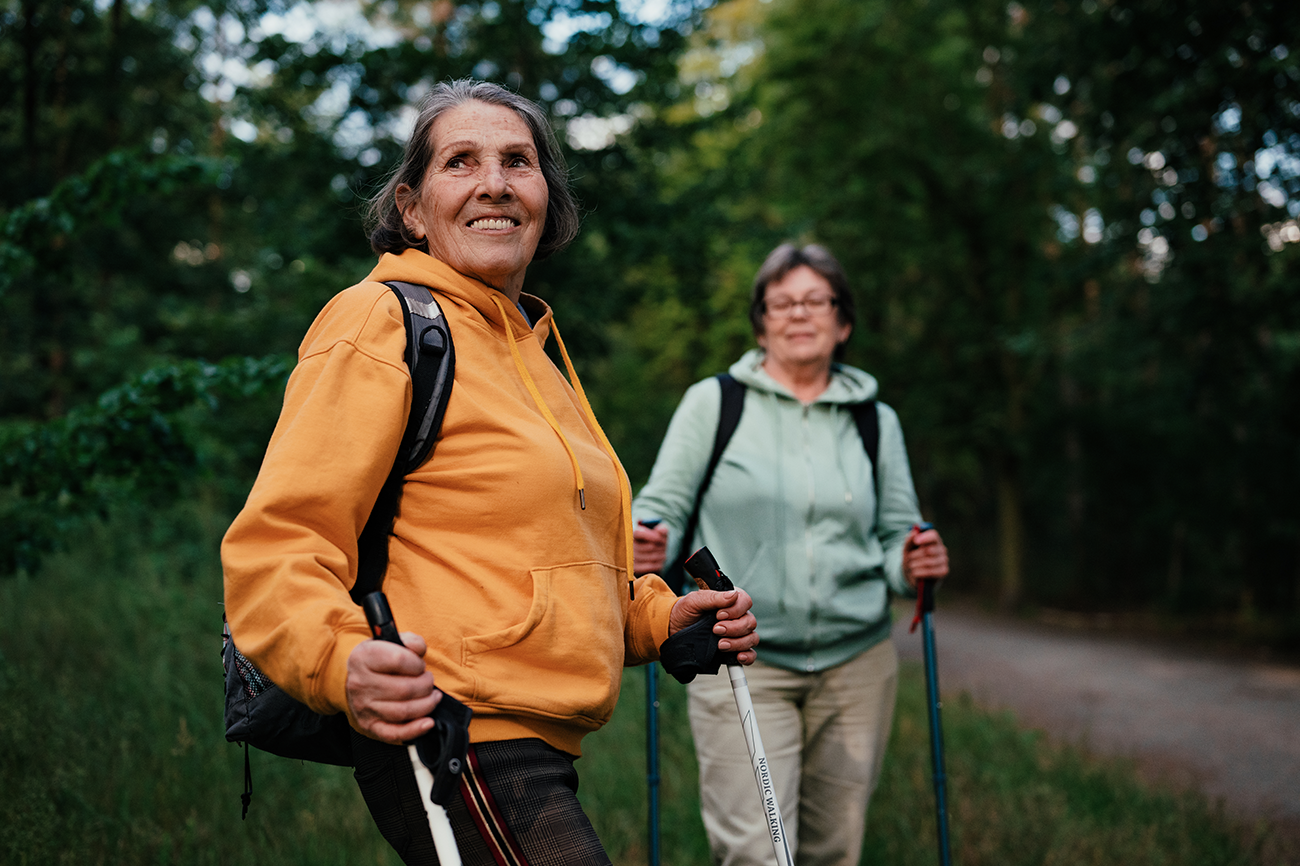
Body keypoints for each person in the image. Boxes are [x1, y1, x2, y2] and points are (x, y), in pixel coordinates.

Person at [221, 79, 758, 866]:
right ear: (411, 207)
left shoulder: (539, 357)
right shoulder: (382, 321)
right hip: (451, 725)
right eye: (460, 162)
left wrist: (662, 620)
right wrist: (339, 661)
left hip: (538, 739)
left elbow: (570, 570)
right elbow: (279, 542)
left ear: (547, 195)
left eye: (518, 160)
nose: (495, 183)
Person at [632, 242, 949, 866]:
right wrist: (649, 537)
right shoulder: (714, 402)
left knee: (835, 851)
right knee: (756, 854)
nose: (798, 314)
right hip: (742, 660)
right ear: (761, 322)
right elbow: (659, 508)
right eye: (781, 303)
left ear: (843, 321)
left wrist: (912, 567)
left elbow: (894, 539)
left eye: (815, 301)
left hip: (856, 664)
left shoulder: (875, 421)